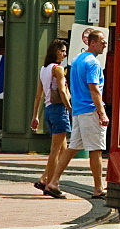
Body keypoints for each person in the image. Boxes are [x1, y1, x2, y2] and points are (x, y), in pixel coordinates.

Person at [47, 29, 109, 199]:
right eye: (102, 41)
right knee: (96, 149)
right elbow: (94, 90)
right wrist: (102, 113)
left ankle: (53, 181)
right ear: (92, 43)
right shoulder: (93, 64)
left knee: (72, 147)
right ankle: (98, 188)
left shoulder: (76, 60)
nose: (105, 43)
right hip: (90, 110)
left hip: (78, 111)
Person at [29, 39, 71, 199]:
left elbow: (38, 95)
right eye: (62, 51)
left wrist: (35, 116)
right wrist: (70, 109)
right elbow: (61, 91)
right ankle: (52, 185)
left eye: (65, 51)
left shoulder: (43, 69)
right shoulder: (58, 69)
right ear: (55, 51)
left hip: (48, 110)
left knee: (63, 150)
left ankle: (44, 179)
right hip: (59, 110)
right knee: (55, 151)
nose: (64, 54)